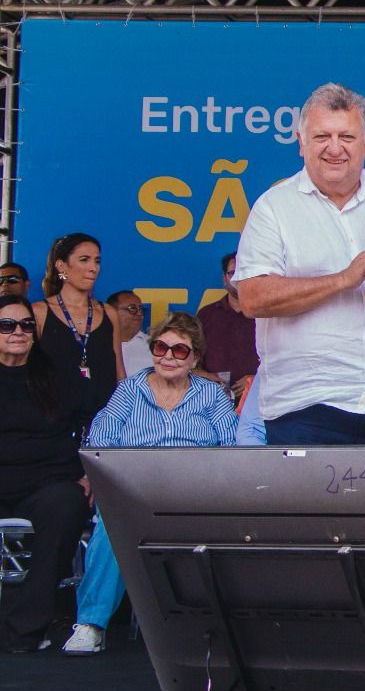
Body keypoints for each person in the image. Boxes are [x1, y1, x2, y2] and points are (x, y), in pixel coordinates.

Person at [235, 83, 365, 445]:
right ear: (301, 141)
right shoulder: (274, 207)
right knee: (309, 506)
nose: (335, 148)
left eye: (347, 136)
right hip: (305, 405)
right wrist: (344, 278)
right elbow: (253, 297)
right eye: (322, 136)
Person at [61, 311, 237, 655]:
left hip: (194, 495)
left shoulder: (211, 395)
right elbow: (100, 442)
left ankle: (214, 629)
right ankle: (90, 624)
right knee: (112, 528)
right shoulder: (129, 390)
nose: (168, 356)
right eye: (160, 347)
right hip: (134, 492)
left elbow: (232, 448)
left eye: (180, 350)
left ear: (195, 357)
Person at [0, 295, 92, 652]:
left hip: (47, 482)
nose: (18, 332)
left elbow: (92, 422)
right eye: (7, 325)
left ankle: (26, 629)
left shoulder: (57, 373)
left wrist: (88, 473)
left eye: (25, 325)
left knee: (68, 504)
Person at [33, 232, 122, 415]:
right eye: (84, 260)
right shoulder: (39, 312)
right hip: (52, 423)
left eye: (97, 261)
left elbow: (119, 373)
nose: (93, 268)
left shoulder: (109, 313)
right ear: (61, 266)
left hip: (101, 423)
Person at [196, 252, 258, 402]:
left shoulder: (268, 315)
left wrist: (255, 381)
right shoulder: (206, 315)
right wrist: (209, 378)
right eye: (233, 273)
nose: (238, 278)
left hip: (259, 401)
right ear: (224, 278)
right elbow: (188, 362)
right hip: (211, 400)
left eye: (244, 272)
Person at [106, 290, 151, 375]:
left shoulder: (154, 346)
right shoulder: (96, 343)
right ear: (111, 311)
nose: (139, 313)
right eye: (132, 308)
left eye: (141, 309)